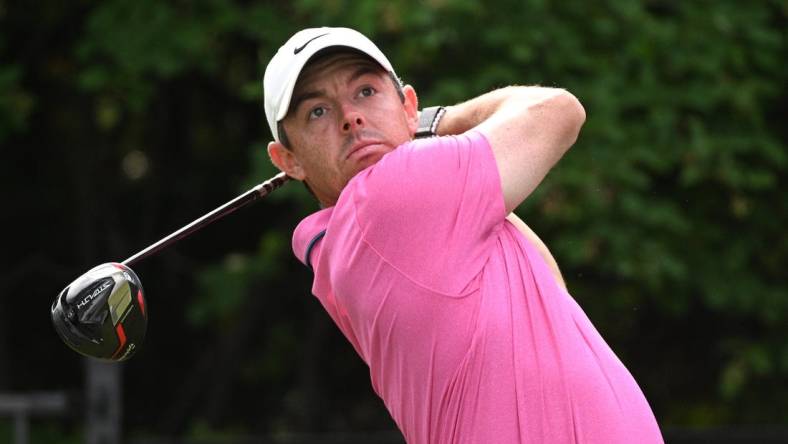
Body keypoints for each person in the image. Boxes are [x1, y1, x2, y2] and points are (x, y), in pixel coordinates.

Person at [263, 27, 663, 443]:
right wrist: (439, 121)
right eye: (318, 112)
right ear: (288, 160)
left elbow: (550, 291)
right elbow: (558, 110)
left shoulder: (347, 244)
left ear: (406, 105)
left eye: (365, 91)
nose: (351, 117)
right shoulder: (388, 195)